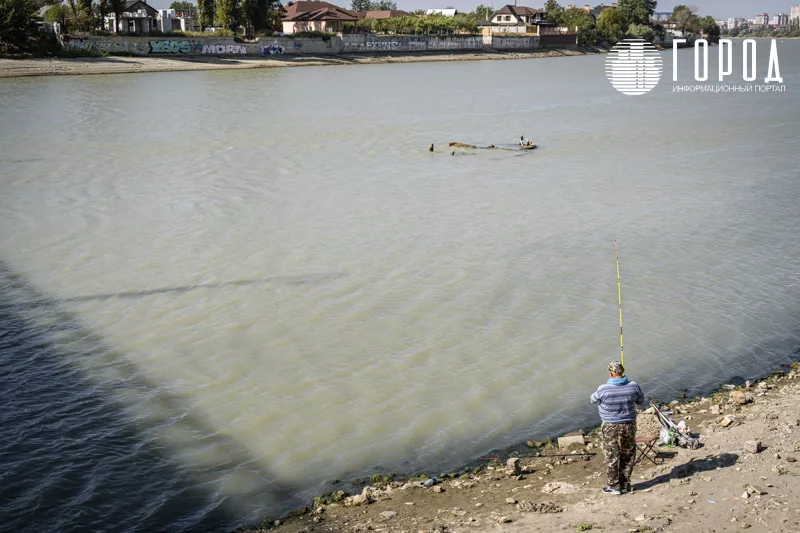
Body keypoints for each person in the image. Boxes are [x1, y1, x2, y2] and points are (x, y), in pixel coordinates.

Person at [590, 361, 645, 495]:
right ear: (622, 371)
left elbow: (593, 400)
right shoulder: (633, 386)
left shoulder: (603, 388)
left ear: (611, 373)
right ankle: (625, 485)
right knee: (628, 455)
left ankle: (614, 486)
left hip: (610, 427)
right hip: (629, 425)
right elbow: (641, 401)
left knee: (612, 456)